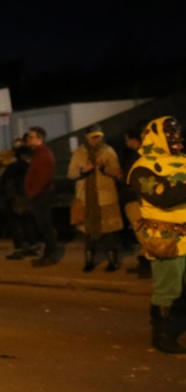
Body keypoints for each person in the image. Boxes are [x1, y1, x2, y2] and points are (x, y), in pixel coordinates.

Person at [127, 117, 186, 353]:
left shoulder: (182, 161)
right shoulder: (142, 167)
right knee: (168, 290)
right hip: (165, 239)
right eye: (170, 135)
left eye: (178, 134)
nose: (176, 140)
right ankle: (162, 334)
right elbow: (164, 195)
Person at [68, 126, 123, 272]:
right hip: (85, 198)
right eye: (93, 136)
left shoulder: (108, 151)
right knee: (88, 232)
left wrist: (104, 168)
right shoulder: (79, 152)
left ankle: (113, 261)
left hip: (105, 197)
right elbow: (71, 174)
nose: (95, 139)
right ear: (86, 137)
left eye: (98, 136)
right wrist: (83, 171)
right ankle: (89, 261)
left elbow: (118, 173)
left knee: (108, 231)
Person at [120, 126, 152, 279]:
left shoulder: (140, 157)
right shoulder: (138, 155)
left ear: (134, 140)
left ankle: (149, 264)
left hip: (136, 200)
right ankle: (145, 262)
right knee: (141, 233)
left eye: (127, 140)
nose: (126, 143)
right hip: (134, 198)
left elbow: (137, 181)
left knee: (142, 233)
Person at [25, 127, 58, 266]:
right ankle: (48, 254)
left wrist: (32, 193)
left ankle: (49, 256)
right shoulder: (38, 153)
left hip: (41, 195)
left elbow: (43, 177)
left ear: (40, 138)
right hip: (40, 194)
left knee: (46, 227)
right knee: (44, 226)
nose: (28, 139)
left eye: (31, 137)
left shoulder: (43, 154)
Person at [1, 143, 40, 259]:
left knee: (15, 225)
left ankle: (18, 249)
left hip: (15, 198)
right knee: (29, 222)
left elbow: (3, 179)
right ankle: (33, 247)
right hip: (29, 198)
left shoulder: (13, 167)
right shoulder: (32, 166)